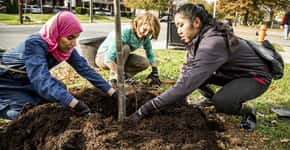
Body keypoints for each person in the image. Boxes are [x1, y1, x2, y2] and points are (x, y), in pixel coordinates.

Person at [129, 3, 273, 132]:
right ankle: (212, 98)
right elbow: (187, 72)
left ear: (196, 22)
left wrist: (145, 109)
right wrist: (180, 100)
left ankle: (247, 110)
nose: (178, 30)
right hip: (233, 74)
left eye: (180, 25)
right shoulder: (199, 38)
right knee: (193, 75)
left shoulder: (212, 43)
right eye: (176, 25)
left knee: (221, 102)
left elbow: (188, 82)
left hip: (255, 77)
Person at [0, 11, 118, 120]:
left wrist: (111, 92)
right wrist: (75, 104)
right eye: (70, 37)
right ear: (57, 33)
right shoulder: (35, 44)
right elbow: (42, 81)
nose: (74, 43)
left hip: (28, 80)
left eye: (76, 37)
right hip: (7, 80)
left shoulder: (65, 48)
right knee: (27, 112)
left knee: (58, 92)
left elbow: (85, 69)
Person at [95, 12, 161, 87]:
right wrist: (121, 74)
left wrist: (155, 72)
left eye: (150, 32)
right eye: (145, 29)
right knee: (125, 48)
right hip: (103, 58)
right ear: (139, 23)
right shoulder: (125, 31)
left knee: (145, 62)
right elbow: (108, 59)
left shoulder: (145, 37)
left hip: (121, 59)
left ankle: (126, 78)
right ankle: (114, 79)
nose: (146, 34)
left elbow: (150, 54)